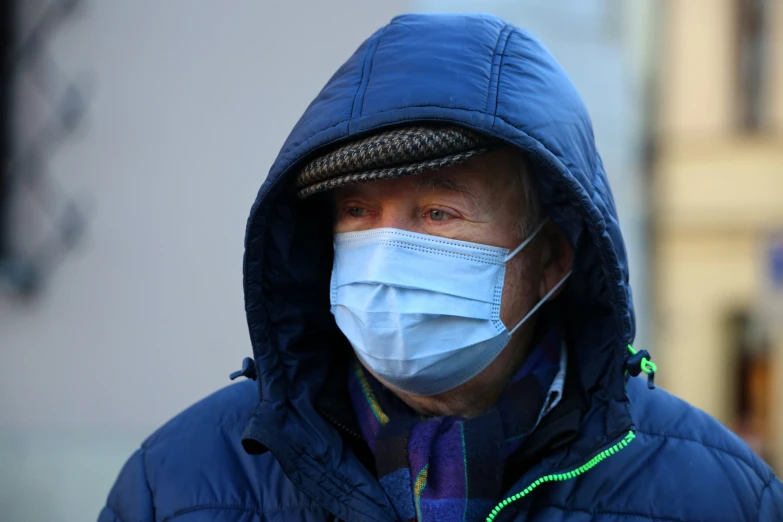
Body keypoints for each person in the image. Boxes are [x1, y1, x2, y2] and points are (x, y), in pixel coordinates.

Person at [99, 13, 783, 522]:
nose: (387, 255)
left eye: (437, 214)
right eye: (359, 212)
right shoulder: (182, 481)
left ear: (550, 262)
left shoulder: (716, 494)